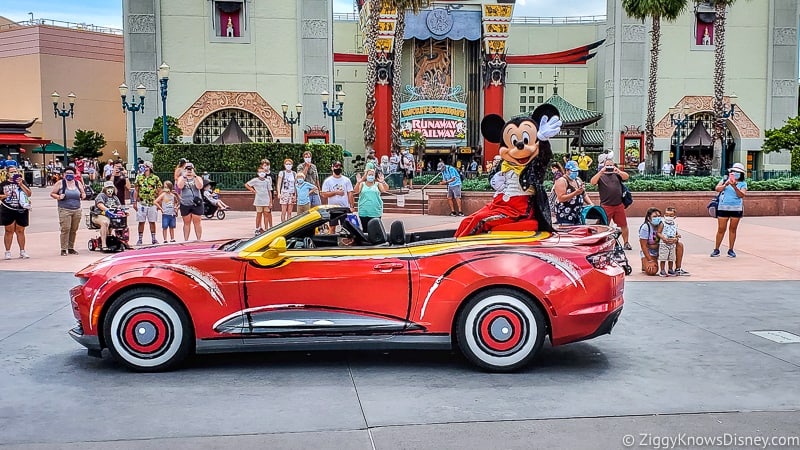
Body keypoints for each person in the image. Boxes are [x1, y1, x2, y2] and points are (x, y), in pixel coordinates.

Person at [590, 158, 632, 249]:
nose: (609, 167)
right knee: (604, 225)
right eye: (607, 165)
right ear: (604, 166)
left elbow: (626, 177)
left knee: (623, 224)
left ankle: (626, 243)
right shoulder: (601, 175)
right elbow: (592, 182)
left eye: (611, 165)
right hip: (606, 205)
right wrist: (601, 172)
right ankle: (602, 242)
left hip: (618, 204)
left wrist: (618, 171)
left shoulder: (617, 174)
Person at [711, 162, 748, 258]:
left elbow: (741, 195)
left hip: (736, 208)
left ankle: (731, 249)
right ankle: (716, 249)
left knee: (733, 229)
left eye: (738, 172)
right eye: (734, 172)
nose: (735, 173)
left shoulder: (743, 183)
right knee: (721, 229)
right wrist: (726, 184)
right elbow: (717, 189)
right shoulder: (724, 180)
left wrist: (735, 186)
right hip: (723, 207)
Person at [50, 167, 86, 255]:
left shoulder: (78, 183)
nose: (69, 175)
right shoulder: (60, 183)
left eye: (71, 173)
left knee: (74, 229)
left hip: (76, 209)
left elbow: (83, 192)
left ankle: (71, 247)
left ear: (74, 174)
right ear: (64, 174)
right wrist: (58, 197)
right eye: (67, 173)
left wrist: (83, 195)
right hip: (64, 209)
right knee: (65, 229)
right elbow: (52, 193)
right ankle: (63, 249)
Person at [1, 166, 32, 259]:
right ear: (7, 173)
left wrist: (21, 184)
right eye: (11, 172)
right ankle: (7, 251)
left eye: (15, 171)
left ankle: (22, 251)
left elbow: (29, 194)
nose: (13, 173)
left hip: (21, 209)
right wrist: (4, 196)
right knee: (9, 230)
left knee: (20, 230)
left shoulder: (22, 182)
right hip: (8, 209)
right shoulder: (3, 184)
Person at [554, 161, 593, 225]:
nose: (576, 173)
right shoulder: (561, 181)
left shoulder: (578, 180)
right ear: (567, 170)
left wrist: (590, 203)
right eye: (573, 171)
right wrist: (575, 193)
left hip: (577, 214)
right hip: (565, 214)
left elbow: (583, 194)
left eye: (576, 171)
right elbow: (561, 198)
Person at [93, 181, 127, 251]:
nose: (110, 190)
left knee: (122, 223)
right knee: (105, 222)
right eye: (108, 188)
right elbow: (100, 205)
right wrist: (107, 210)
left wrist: (122, 211)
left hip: (113, 216)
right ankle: (103, 245)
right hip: (100, 214)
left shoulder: (115, 197)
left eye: (111, 188)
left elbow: (119, 206)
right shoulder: (101, 195)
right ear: (105, 189)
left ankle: (123, 242)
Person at [133, 161, 162, 245]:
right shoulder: (139, 177)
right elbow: (136, 190)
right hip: (142, 202)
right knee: (141, 221)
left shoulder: (155, 178)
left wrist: (158, 202)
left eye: (146, 166)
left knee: (152, 221)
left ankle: (153, 238)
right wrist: (134, 201)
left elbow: (160, 190)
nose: (144, 168)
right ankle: (140, 238)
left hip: (152, 202)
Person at [354, 168, 389, 232]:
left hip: (375, 211)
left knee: (375, 230)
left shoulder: (378, 184)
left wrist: (383, 182)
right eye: (369, 174)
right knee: (365, 229)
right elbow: (356, 191)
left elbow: (385, 190)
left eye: (372, 175)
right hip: (364, 211)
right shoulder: (362, 184)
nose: (371, 176)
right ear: (366, 175)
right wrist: (358, 182)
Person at [176, 162, 204, 241]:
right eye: (187, 169)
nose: (189, 170)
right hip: (185, 203)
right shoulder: (182, 178)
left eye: (190, 169)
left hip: (196, 203)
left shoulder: (197, 177)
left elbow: (200, 186)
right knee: (186, 222)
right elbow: (180, 186)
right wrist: (184, 177)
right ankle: (186, 240)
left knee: (197, 222)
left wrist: (194, 176)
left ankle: (198, 239)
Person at [245, 169, 273, 234]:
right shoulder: (255, 180)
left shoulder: (267, 181)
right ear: (258, 173)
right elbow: (247, 184)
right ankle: (257, 228)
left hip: (266, 200)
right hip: (258, 200)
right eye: (260, 172)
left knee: (266, 214)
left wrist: (270, 202)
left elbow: (269, 191)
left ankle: (266, 228)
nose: (262, 173)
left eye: (263, 172)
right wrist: (252, 190)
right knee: (259, 214)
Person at [656, 206, 680, 276]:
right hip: (664, 243)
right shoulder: (662, 223)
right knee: (663, 257)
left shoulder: (675, 224)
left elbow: (675, 232)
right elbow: (658, 232)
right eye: (667, 215)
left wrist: (677, 236)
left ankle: (670, 269)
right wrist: (663, 238)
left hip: (672, 244)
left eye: (671, 215)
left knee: (671, 258)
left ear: (674, 217)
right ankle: (662, 270)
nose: (668, 217)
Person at [638, 207, 662, 275]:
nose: (657, 218)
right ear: (649, 218)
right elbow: (643, 245)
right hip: (650, 251)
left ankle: (677, 268)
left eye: (659, 216)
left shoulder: (662, 225)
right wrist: (650, 260)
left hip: (662, 249)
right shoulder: (645, 227)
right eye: (654, 216)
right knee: (652, 271)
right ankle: (645, 260)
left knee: (679, 245)